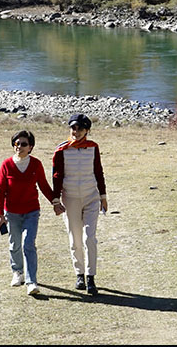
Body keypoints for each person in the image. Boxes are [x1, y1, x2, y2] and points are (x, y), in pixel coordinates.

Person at [0, 130, 61, 296]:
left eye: (24, 144)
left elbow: (44, 185)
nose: (19, 147)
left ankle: (31, 282)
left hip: (31, 211)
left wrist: (55, 202)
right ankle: (17, 272)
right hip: (12, 213)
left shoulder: (36, 164)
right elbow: (0, 190)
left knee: (28, 244)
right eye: (16, 144)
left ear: (30, 147)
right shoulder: (6, 165)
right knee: (14, 245)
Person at [51, 113, 107, 295]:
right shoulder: (61, 150)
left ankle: (91, 277)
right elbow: (57, 175)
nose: (76, 132)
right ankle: (79, 274)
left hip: (91, 197)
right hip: (70, 199)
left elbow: (98, 171)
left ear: (87, 131)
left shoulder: (93, 147)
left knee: (89, 237)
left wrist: (103, 196)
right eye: (73, 128)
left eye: (80, 129)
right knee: (75, 239)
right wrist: (56, 200)